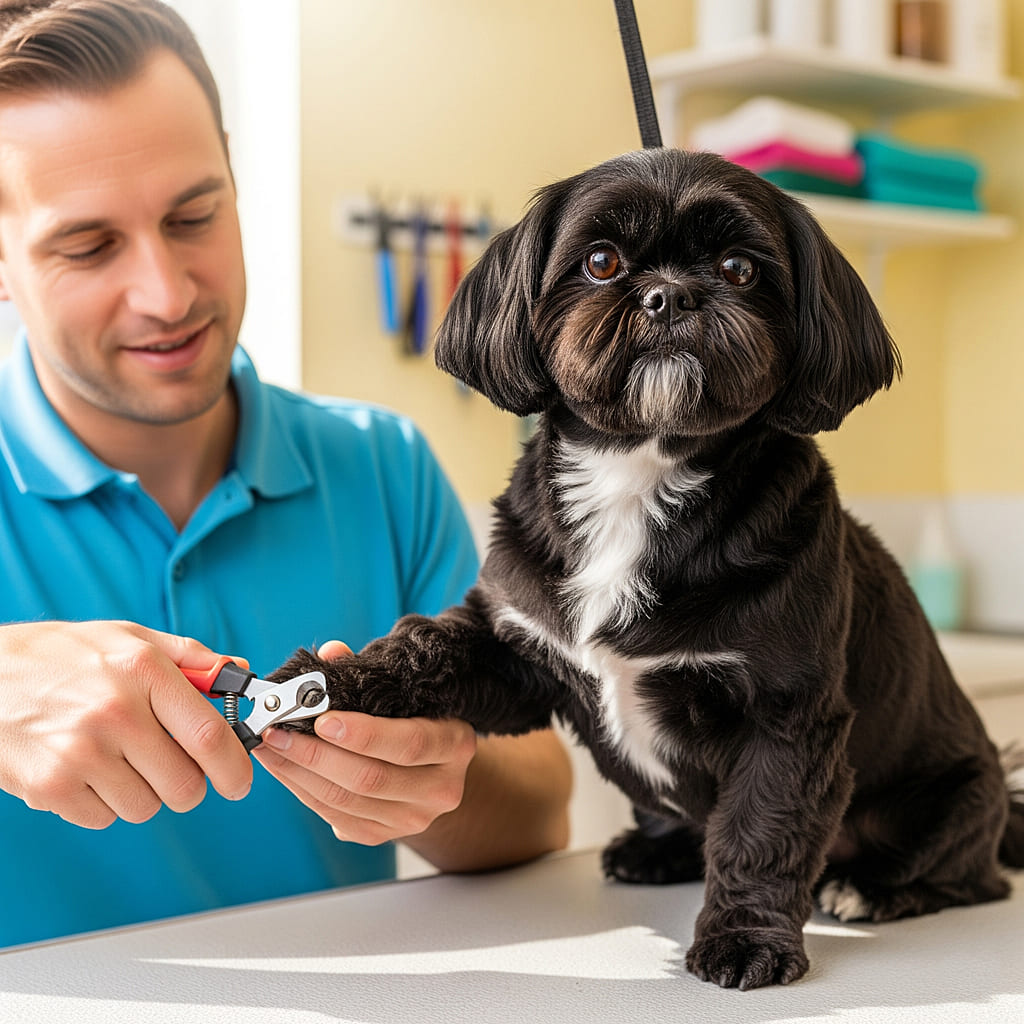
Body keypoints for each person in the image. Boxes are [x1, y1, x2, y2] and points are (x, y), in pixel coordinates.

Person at [0, 0, 571, 949]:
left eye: (195, 215)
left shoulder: (384, 468)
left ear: (231, 169)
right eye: (89, 245)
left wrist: (437, 781)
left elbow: (543, 809)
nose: (168, 294)